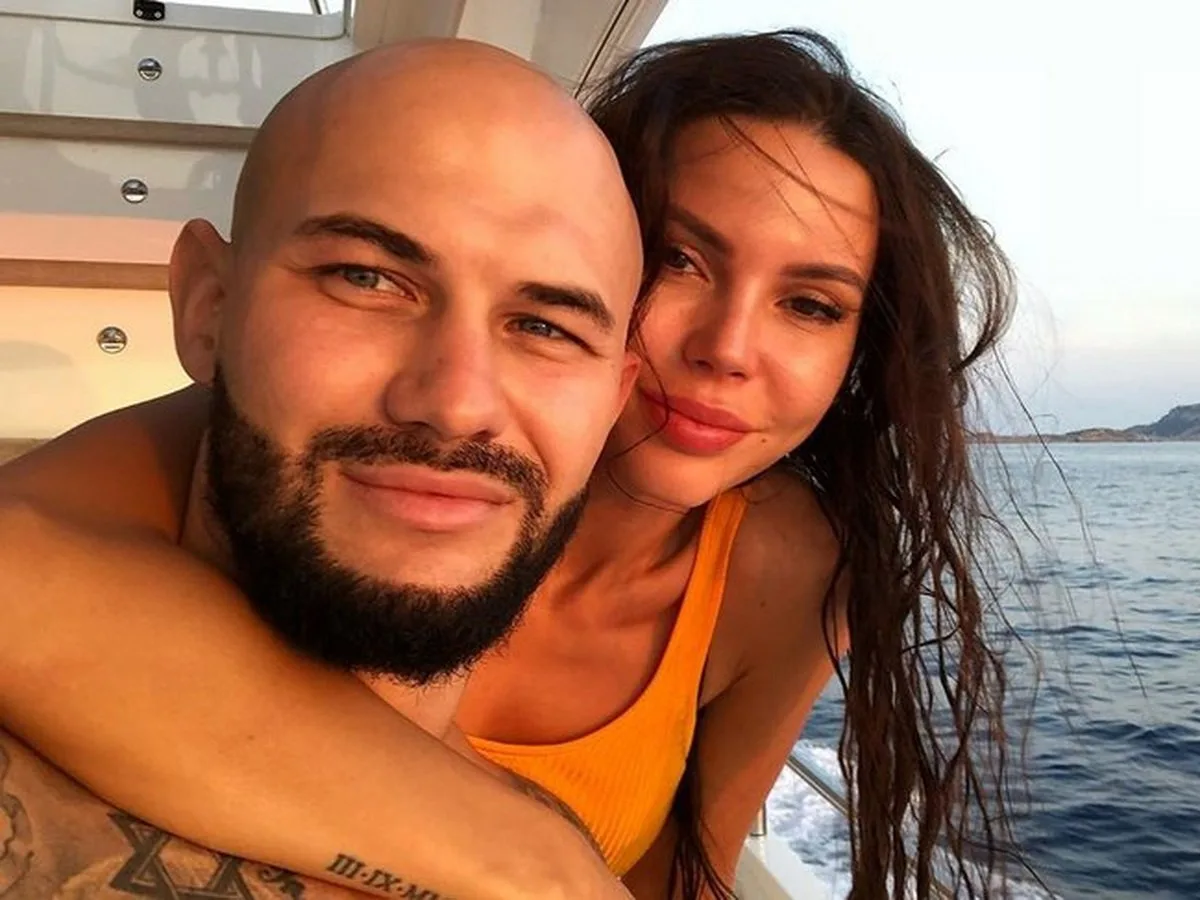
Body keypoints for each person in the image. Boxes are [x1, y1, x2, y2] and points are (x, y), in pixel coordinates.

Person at [0, 29, 1024, 900]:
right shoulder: (321, 462)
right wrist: (537, 860)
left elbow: (686, 870)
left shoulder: (783, 570)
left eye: (810, 304)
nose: (728, 348)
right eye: (680, 258)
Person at [0, 37, 646, 900]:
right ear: (208, 309)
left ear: (614, 403)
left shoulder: (560, 846)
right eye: (366, 278)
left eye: (545, 327)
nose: (457, 403)